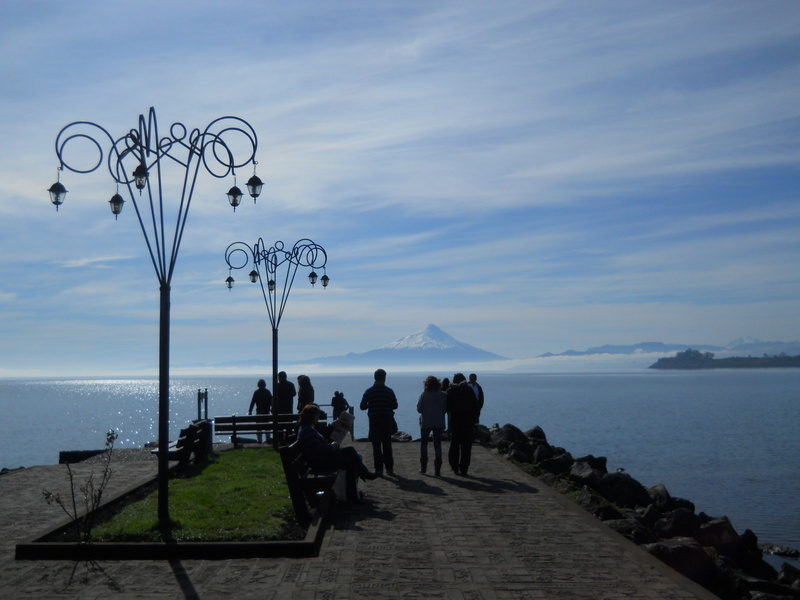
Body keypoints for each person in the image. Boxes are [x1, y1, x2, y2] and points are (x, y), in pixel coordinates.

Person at [296, 404, 379, 502]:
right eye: (317, 416)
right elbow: (320, 448)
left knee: (350, 452)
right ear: (312, 417)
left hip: (319, 459)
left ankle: (360, 482)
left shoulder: (307, 429)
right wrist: (333, 445)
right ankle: (357, 489)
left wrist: (332, 428)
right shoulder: (308, 431)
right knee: (350, 461)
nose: (318, 418)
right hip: (320, 462)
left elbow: (320, 444)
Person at [360, 368, 399, 476]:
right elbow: (395, 405)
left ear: (375, 377)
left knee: (376, 445)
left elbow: (362, 406)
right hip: (387, 420)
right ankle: (389, 468)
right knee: (387, 444)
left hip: (374, 421)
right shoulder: (389, 391)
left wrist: (371, 405)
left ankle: (378, 469)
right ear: (384, 378)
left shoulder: (369, 391)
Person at [446, 372, 479, 476]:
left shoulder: (450, 391)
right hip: (468, 422)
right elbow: (475, 406)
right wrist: (475, 419)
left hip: (455, 422)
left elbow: (447, 407)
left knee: (454, 444)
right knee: (466, 447)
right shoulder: (469, 390)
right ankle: (464, 468)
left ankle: (454, 466)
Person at [417, 375, 447, 475]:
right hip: (439, 423)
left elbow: (419, 409)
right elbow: (445, 409)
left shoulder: (424, 395)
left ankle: (423, 468)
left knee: (424, 445)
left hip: (426, 422)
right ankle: (437, 470)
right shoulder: (443, 395)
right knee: (437, 446)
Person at [248, 378, 273, 443]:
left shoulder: (256, 392)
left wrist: (250, 411)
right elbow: (271, 402)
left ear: (258, 385)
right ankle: (268, 437)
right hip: (266, 412)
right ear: (265, 385)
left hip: (259, 412)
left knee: (259, 427)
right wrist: (272, 409)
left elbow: (252, 402)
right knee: (267, 426)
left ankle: (259, 440)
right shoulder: (268, 392)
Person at [274, 371, 296, 440]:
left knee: (280, 426)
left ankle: (280, 439)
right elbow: (294, 394)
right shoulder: (291, 384)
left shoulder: (277, 386)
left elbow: (274, 396)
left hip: (280, 409)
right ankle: (288, 438)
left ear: (280, 377)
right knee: (288, 425)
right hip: (289, 408)